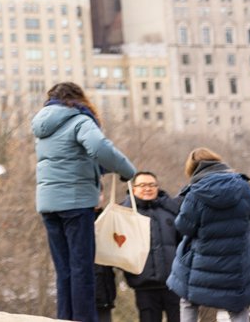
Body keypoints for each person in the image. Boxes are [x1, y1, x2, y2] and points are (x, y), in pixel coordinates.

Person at [32, 81, 137, 321]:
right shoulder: (80, 120)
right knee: (82, 267)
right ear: (78, 98)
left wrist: (97, 169)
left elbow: (68, 158)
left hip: (48, 204)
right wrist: (127, 170)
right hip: (75, 202)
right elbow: (100, 148)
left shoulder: (43, 126)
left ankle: (66, 317)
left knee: (64, 269)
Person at [168, 147, 250, 322]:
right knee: (238, 305)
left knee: (188, 300)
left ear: (192, 169)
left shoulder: (195, 193)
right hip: (237, 262)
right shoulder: (242, 185)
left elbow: (184, 227)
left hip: (202, 263)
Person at [126, 171, 183, 322]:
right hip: (144, 285)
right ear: (133, 189)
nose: (148, 188)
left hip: (173, 283)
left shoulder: (171, 210)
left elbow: (183, 244)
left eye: (152, 185)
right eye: (142, 185)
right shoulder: (125, 213)